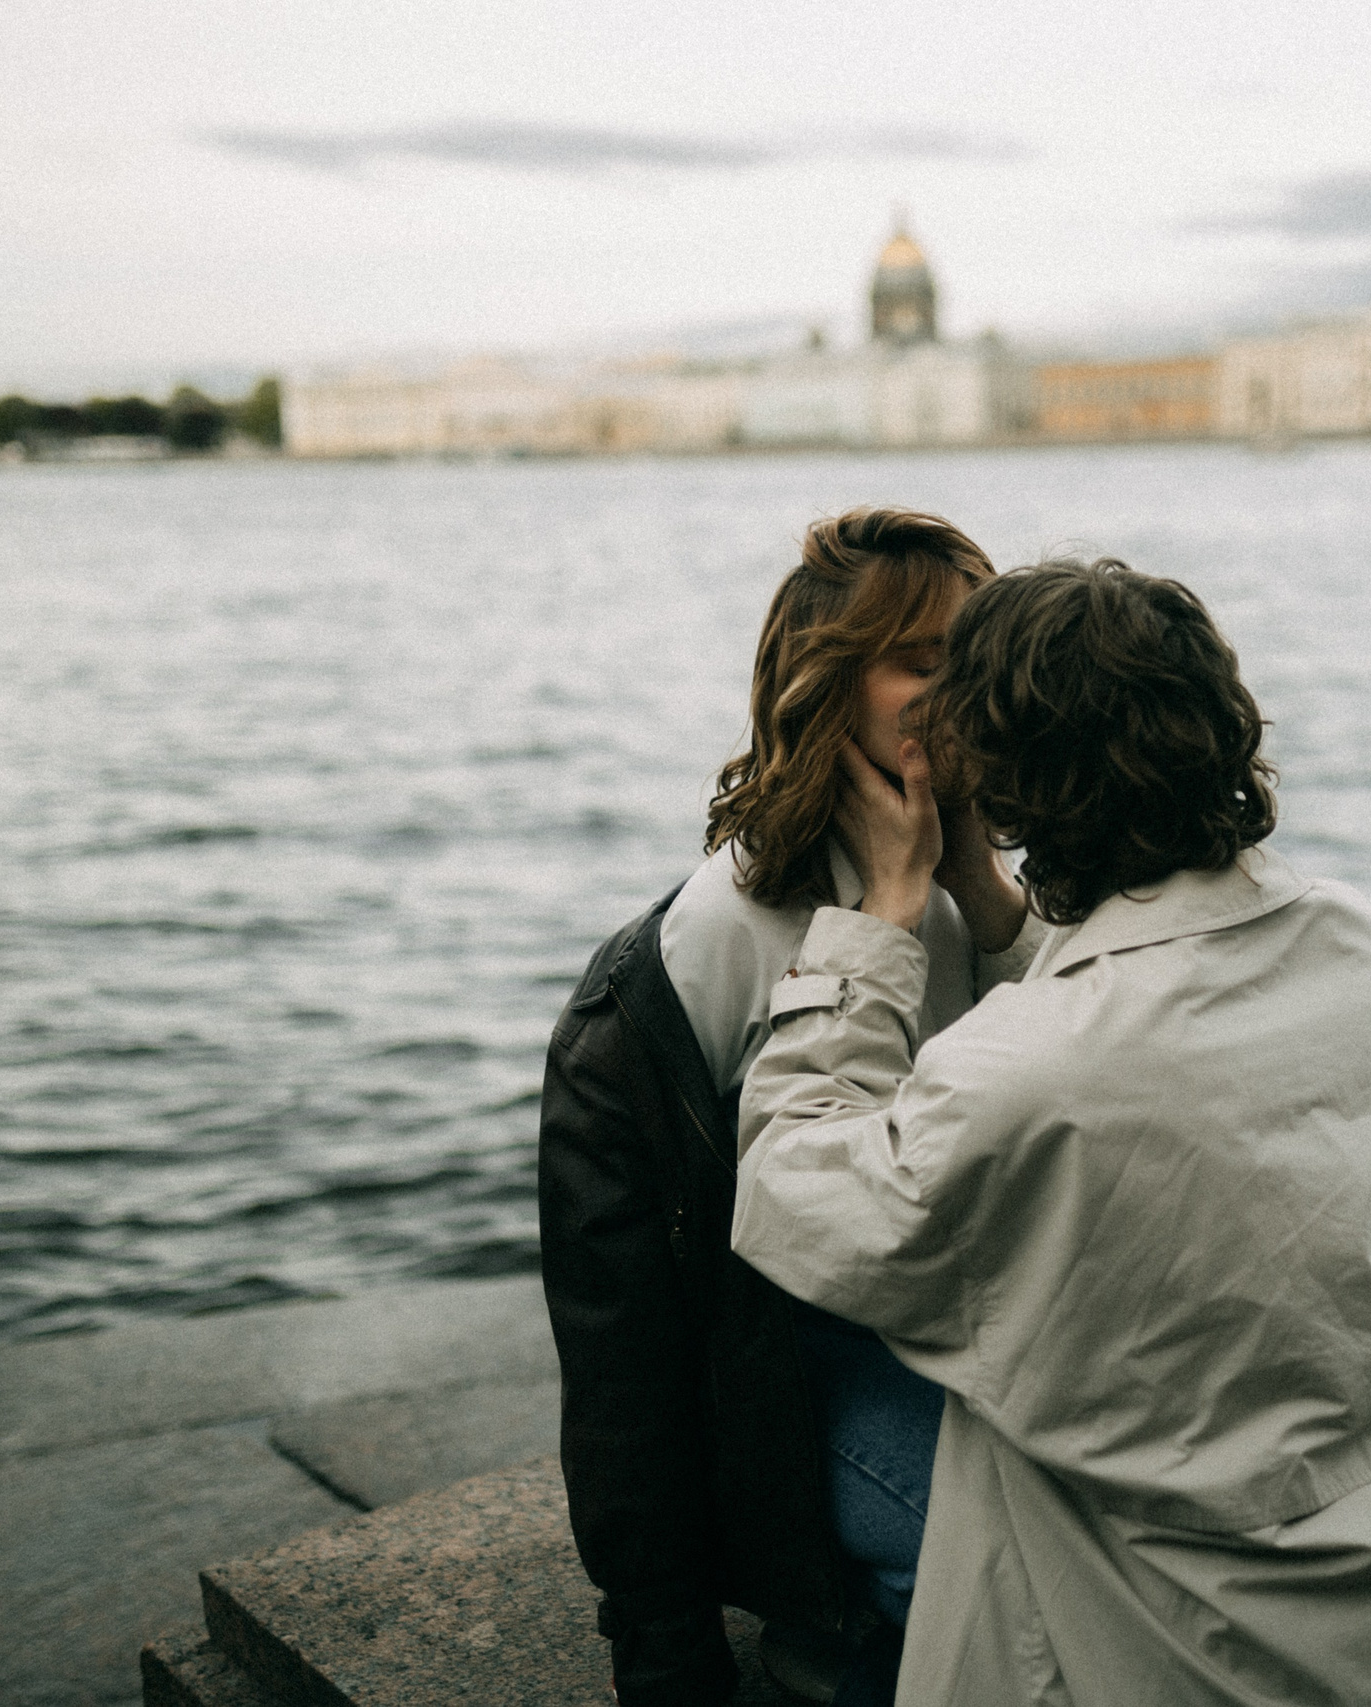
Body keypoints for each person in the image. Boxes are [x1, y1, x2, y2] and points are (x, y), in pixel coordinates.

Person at [733, 558, 1371, 1705]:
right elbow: (1136, 994)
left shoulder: (1037, 1068)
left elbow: (794, 1188)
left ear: (1010, 785)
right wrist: (988, 894)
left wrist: (886, 920)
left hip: (1176, 1625)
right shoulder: (1361, 947)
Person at [538, 509, 1044, 1706]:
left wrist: (980, 889)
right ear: (826, 690)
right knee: (996, 1582)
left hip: (973, 1327)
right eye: (926, 664)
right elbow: (626, 1352)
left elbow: (1089, 1083)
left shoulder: (987, 888)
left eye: (979, 658)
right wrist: (665, 1654)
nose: (966, 695)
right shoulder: (697, 956)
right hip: (788, 1383)